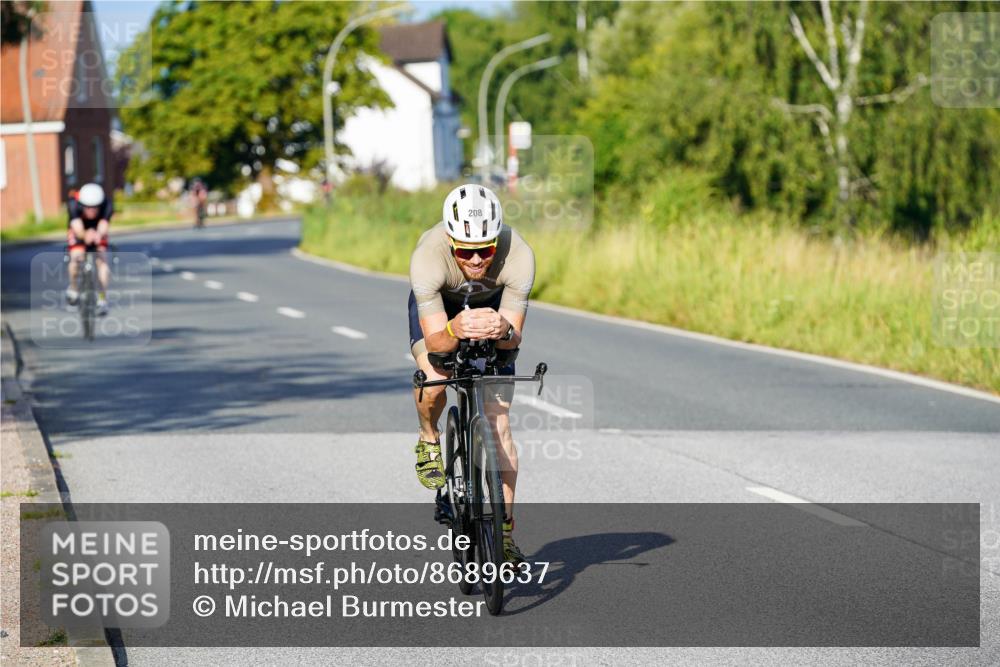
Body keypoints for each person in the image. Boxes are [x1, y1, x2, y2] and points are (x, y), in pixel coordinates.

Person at [408, 184, 535, 564]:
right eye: (465, 251)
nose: (477, 259)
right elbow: (435, 342)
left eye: (486, 249)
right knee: (434, 381)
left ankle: (505, 534)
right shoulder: (427, 257)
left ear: (497, 241)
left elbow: (512, 342)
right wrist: (454, 329)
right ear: (450, 241)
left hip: (493, 308)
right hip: (443, 314)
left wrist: (503, 331)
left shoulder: (519, 255)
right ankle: (428, 436)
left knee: (500, 425)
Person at [65, 183, 112, 315]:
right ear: (81, 205)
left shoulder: (107, 204)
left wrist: (98, 235)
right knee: (76, 257)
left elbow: (104, 224)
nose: (92, 210)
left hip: (97, 229)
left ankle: (102, 298)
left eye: (95, 207)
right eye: (88, 207)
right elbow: (77, 227)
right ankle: (74, 288)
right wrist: (84, 235)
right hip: (79, 229)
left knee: (102, 260)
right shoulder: (73, 204)